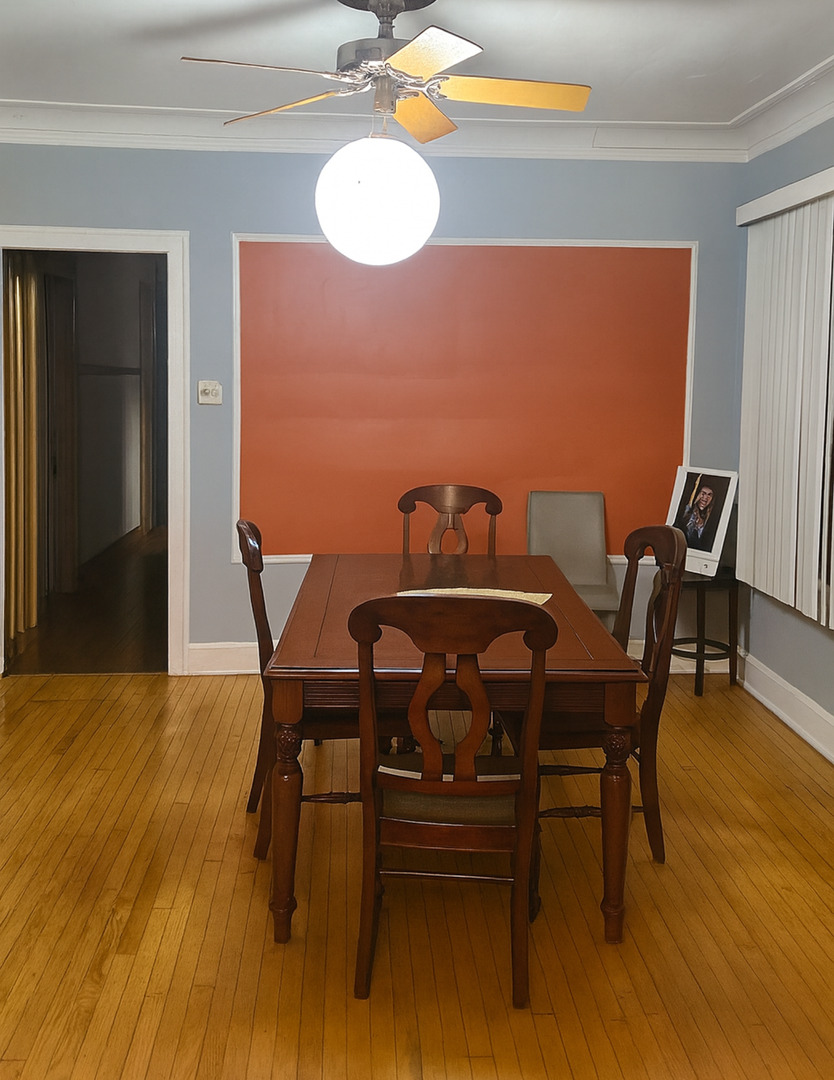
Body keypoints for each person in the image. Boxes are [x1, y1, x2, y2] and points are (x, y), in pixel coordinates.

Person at [675, 479, 718, 551]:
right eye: (703, 493)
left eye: (709, 495)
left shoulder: (710, 522)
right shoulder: (687, 511)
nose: (705, 497)